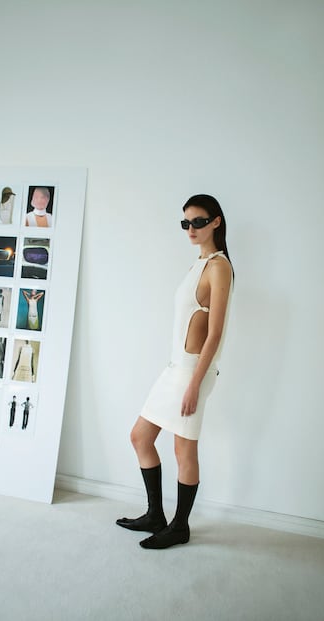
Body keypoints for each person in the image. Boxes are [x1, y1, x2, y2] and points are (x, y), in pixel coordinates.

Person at [116, 194, 233, 550]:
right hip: (175, 368)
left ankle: (180, 526)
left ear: (216, 222)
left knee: (184, 450)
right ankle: (156, 515)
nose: (191, 229)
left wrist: (195, 384)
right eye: (186, 223)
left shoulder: (219, 267)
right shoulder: (198, 264)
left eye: (198, 222)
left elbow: (215, 333)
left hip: (192, 372)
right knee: (141, 437)